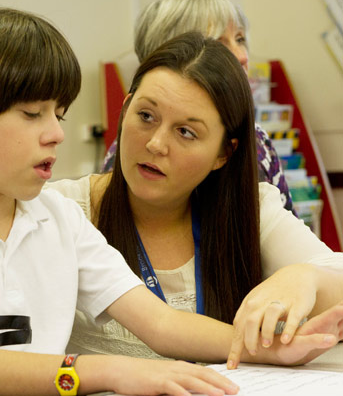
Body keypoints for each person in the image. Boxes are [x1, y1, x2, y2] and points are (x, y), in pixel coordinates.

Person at [0, 7, 250, 396]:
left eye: (59, 114)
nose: (56, 134)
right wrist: (110, 371)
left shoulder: (58, 216)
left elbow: (161, 324)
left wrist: (273, 347)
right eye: (32, 114)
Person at [45, 30, 343, 370]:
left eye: (186, 132)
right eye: (146, 116)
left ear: (223, 153)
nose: (156, 144)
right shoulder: (61, 209)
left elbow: (335, 273)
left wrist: (307, 278)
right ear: (125, 109)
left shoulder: (252, 210)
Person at [101, 0, 295, 214]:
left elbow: (288, 233)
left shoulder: (256, 139)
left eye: (240, 39)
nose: (242, 56)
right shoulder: (127, 157)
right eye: (220, 45)